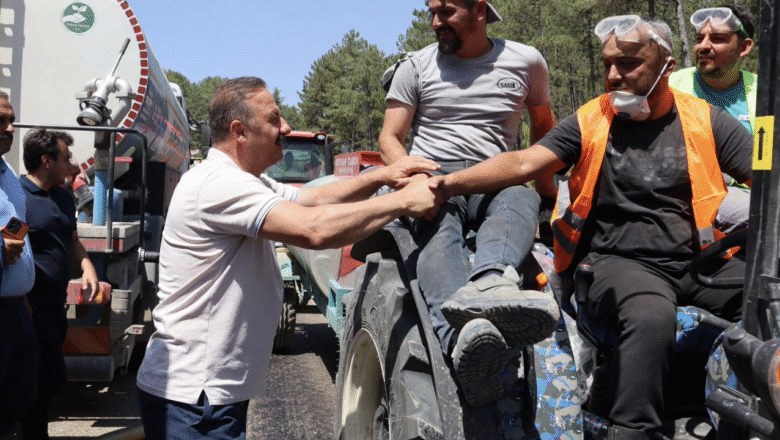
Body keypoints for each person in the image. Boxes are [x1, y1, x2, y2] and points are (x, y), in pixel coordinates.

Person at [428, 16, 753, 439]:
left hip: (695, 264)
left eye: (630, 63)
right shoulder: (592, 120)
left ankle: (744, 408)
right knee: (652, 316)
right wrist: (447, 183)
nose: (614, 75)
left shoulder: (705, 121)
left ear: (667, 67)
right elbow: (525, 162)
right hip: (615, 264)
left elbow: (767, 176)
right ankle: (632, 429)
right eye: (607, 64)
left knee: (767, 294)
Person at [135, 76, 445, 440]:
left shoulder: (247, 179)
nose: (286, 127)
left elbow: (314, 199)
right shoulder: (219, 183)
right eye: (274, 119)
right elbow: (314, 229)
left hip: (209, 394)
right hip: (195, 399)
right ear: (240, 131)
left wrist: (382, 176)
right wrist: (403, 201)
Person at [378, 0, 560, 407]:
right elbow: (390, 138)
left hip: (498, 175)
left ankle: (489, 283)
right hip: (433, 177)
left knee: (520, 197)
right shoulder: (416, 66)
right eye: (432, 11)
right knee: (438, 232)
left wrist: (549, 194)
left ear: (480, 10)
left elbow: (543, 129)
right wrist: (412, 178)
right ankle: (460, 340)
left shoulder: (526, 62)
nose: (435, 22)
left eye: (446, 12)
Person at [19, 128, 100, 439]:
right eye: (67, 158)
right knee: (29, 384)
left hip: (54, 308)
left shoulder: (64, 198)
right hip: (26, 310)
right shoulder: (17, 196)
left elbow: (72, 239)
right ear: (46, 161)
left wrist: (86, 265)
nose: (73, 165)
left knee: (50, 382)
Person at [669, 4, 757, 235]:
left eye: (717, 38)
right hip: (688, 192)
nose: (703, 46)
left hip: (749, 191)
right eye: (699, 38)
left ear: (744, 47)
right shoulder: (671, 86)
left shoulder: (763, 94)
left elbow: (765, 156)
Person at [0, 91, 38, 436]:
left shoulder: (8, 171)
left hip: (16, 310)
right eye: (2, 120)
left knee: (22, 396)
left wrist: (21, 294)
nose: (10, 128)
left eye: (11, 120)